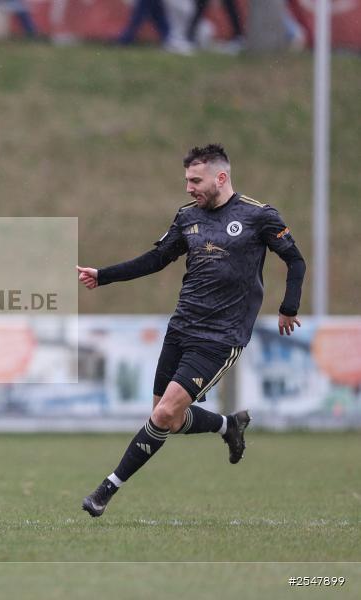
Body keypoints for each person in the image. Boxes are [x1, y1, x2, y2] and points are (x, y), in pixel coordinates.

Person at [76, 144, 305, 518]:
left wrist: (288, 307)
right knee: (166, 417)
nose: (188, 188)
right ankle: (229, 425)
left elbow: (295, 261)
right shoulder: (187, 217)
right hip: (181, 328)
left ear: (221, 177)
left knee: (164, 414)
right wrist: (104, 276)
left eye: (196, 180)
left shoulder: (258, 216)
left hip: (221, 337)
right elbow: (157, 259)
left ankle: (105, 491)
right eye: (187, 180)